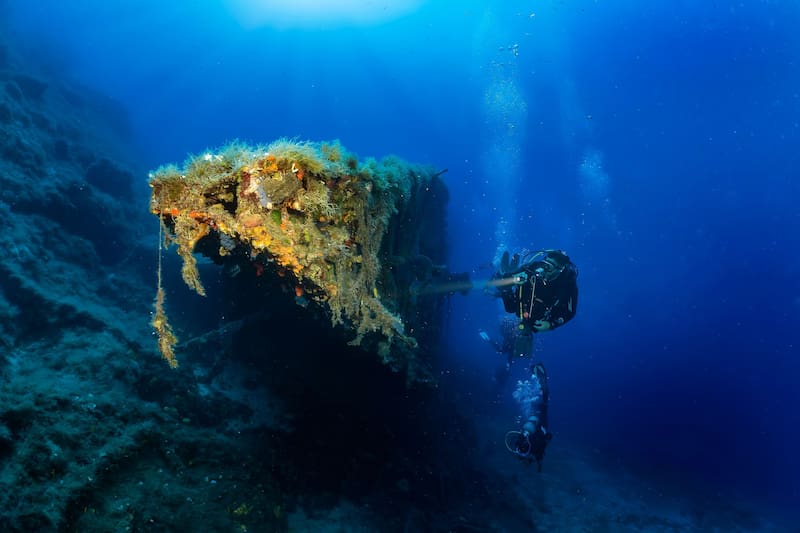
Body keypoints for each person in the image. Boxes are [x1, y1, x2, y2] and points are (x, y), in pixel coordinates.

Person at [490, 249, 578, 470]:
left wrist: (552, 324)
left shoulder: (566, 283)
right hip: (524, 311)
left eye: (551, 266)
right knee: (510, 308)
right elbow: (510, 299)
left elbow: (570, 312)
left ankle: (526, 366)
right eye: (545, 263)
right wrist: (504, 278)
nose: (544, 268)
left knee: (521, 338)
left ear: (561, 269)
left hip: (543, 318)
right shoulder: (531, 270)